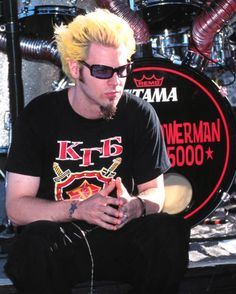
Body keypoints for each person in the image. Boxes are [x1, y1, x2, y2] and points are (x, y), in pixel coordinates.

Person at [4, 8, 190, 294]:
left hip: (119, 233)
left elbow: (155, 192)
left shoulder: (140, 114)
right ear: (76, 69)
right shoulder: (39, 116)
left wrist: (136, 206)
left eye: (123, 69)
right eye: (103, 71)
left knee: (168, 230)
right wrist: (79, 209)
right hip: (63, 236)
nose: (116, 81)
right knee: (32, 244)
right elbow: (16, 208)